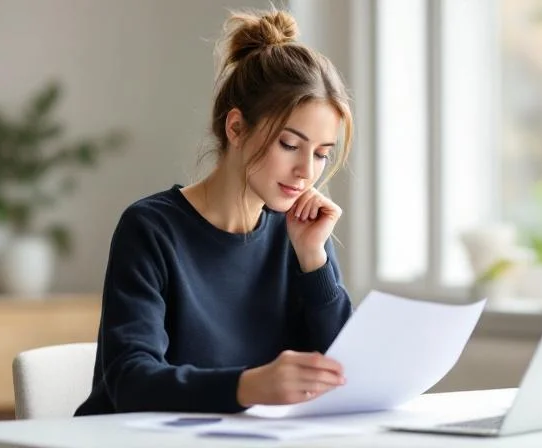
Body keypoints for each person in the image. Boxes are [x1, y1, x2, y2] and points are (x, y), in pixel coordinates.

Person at [75, 8, 354, 416]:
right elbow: (129, 381)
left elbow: (347, 374)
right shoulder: (152, 229)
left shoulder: (301, 236)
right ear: (236, 128)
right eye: (290, 145)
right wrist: (250, 385)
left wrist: (315, 262)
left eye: (321, 155)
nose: (306, 171)